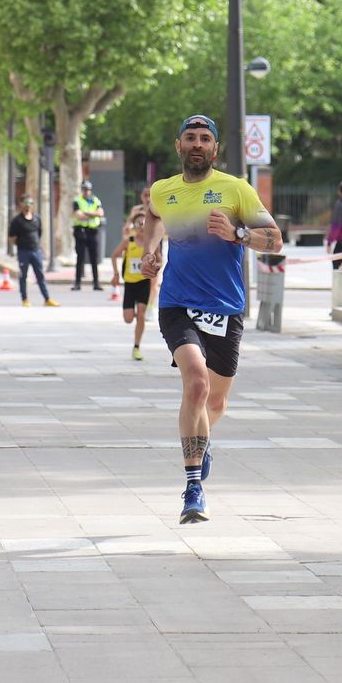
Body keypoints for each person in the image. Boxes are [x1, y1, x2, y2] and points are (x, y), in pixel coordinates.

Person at [146, 114, 281, 524]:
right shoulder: (163, 190)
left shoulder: (235, 189)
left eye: (205, 138)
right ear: (179, 145)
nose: (198, 144)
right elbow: (153, 217)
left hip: (225, 307)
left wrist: (238, 235)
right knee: (197, 384)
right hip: (177, 303)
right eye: (191, 138)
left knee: (215, 401)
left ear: (215, 149)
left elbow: (274, 241)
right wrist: (151, 252)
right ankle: (193, 487)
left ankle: (201, 443)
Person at [110, 209, 161, 361]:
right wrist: (116, 274)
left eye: (144, 223)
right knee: (128, 318)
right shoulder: (129, 241)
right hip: (130, 284)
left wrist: (155, 269)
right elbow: (114, 255)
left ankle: (136, 347)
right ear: (135, 226)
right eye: (139, 223)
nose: (141, 226)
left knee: (141, 315)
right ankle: (135, 340)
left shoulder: (151, 244)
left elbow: (159, 260)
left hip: (144, 282)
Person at [8, 195, 57, 307]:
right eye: (25, 203)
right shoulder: (17, 221)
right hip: (23, 251)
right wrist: (21, 244)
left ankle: (47, 298)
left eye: (30, 203)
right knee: (23, 276)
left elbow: (39, 233)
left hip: (36, 251)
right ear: (20, 204)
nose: (28, 206)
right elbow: (11, 238)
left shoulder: (36, 218)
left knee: (40, 275)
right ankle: (25, 299)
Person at [71, 179, 105, 291]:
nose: (87, 191)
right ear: (82, 190)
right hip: (80, 231)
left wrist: (86, 213)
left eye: (88, 189)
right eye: (85, 189)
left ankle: (96, 283)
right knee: (80, 258)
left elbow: (100, 213)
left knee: (94, 258)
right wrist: (93, 215)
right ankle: (77, 283)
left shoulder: (96, 200)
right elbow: (78, 215)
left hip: (93, 231)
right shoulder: (77, 201)